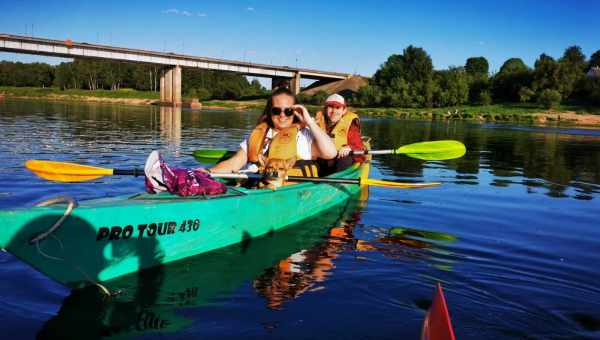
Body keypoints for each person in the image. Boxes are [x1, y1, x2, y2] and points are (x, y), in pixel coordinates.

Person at [208, 87, 337, 184]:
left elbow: (330, 153)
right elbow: (235, 162)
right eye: (276, 110)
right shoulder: (258, 134)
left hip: (285, 192)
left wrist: (309, 121)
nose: (282, 115)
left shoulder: (304, 136)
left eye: (288, 111)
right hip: (251, 186)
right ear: (269, 112)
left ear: (295, 112)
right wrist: (208, 172)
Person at [314, 93, 365, 175]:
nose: (333, 112)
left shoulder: (351, 126)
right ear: (325, 109)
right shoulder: (316, 122)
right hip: (322, 159)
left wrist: (350, 147)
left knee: (345, 158)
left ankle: (336, 183)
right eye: (330, 107)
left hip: (339, 160)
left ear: (344, 110)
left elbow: (358, 146)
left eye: (338, 108)